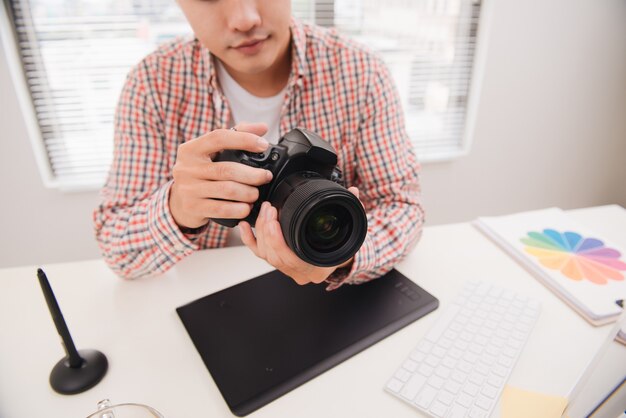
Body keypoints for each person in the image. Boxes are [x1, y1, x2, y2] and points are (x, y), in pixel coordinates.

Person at [93, 0, 424, 290]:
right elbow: (117, 248)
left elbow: (404, 209)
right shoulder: (153, 85)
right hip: (206, 291)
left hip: (329, 299)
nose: (244, 18)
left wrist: (339, 260)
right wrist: (178, 208)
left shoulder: (359, 72)